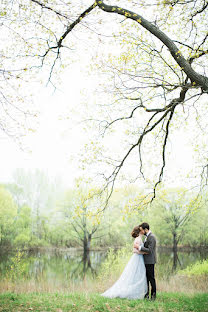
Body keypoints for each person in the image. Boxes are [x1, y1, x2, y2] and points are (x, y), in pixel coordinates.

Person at [101, 225, 147, 299]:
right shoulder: (138, 239)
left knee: (138, 275)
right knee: (134, 275)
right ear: (139, 231)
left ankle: (137, 292)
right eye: (141, 229)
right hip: (137, 258)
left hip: (139, 258)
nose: (142, 230)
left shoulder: (139, 239)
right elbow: (135, 250)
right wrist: (143, 253)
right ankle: (131, 293)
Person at [134, 222, 157, 300]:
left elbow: (150, 250)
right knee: (146, 279)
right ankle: (146, 295)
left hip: (150, 261)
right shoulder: (146, 237)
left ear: (146, 229)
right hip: (145, 261)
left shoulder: (152, 237)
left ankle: (153, 296)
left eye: (141, 230)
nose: (141, 232)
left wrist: (139, 247)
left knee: (151, 278)